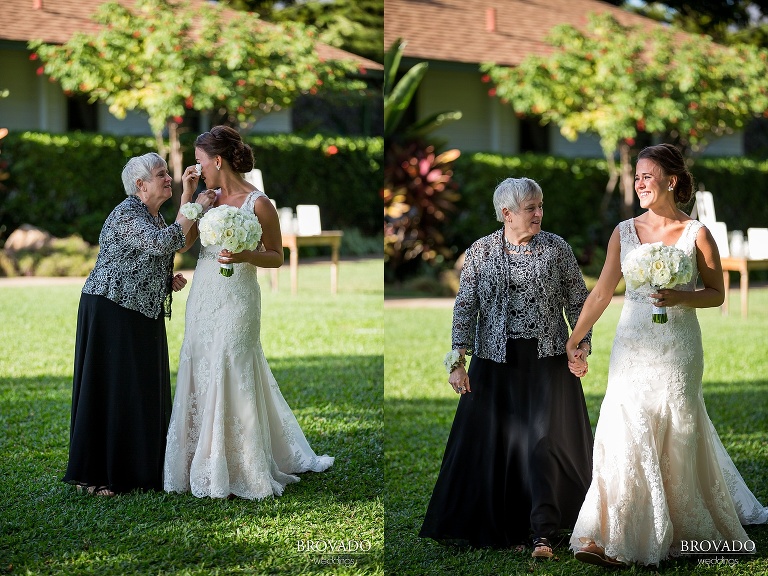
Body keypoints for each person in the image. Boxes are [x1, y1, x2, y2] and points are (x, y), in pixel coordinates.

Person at [565, 143, 768, 568]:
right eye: (636, 176)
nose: (639, 182)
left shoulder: (697, 234)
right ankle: (612, 535)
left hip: (678, 347)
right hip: (632, 343)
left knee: (677, 426)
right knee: (626, 425)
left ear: (670, 181)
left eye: (647, 175)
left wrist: (677, 295)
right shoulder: (623, 231)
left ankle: (680, 529)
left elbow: (716, 294)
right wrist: (576, 336)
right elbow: (603, 292)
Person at [418, 177, 594, 558]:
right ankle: (508, 528)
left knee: (545, 444)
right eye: (531, 208)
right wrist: (457, 362)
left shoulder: (556, 248)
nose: (539, 214)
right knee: (503, 446)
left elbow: (580, 302)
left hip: (548, 361)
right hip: (495, 363)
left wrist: (580, 347)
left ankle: (543, 533)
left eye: (541, 206)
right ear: (506, 213)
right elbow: (465, 307)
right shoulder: (480, 252)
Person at [163, 125, 333, 499]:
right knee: (201, 360)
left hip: (239, 296)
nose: (197, 167)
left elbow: (276, 256)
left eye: (199, 161)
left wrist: (243, 255)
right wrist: (189, 196)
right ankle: (201, 457)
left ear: (218, 160)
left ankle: (244, 462)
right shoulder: (205, 196)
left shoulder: (258, 204)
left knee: (234, 362)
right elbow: (186, 241)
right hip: (205, 292)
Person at [63, 152, 214, 496]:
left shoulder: (154, 215)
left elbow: (155, 253)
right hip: (110, 310)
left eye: (166, 173)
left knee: (140, 388)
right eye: (161, 174)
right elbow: (163, 243)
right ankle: (101, 475)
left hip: (140, 311)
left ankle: (139, 469)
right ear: (140, 185)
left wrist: (164, 281)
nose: (168, 179)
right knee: (114, 388)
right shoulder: (127, 213)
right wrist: (193, 203)